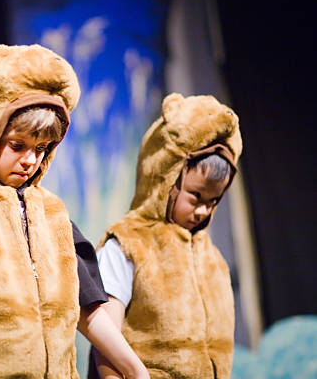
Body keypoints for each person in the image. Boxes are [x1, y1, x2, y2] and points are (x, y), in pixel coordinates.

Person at [0, 44, 148, 379]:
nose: (30, 161)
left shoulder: (52, 213)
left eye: (41, 149)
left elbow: (89, 309)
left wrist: (136, 370)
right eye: (17, 145)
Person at [93, 93, 242, 379]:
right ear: (165, 177)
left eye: (212, 201)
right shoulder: (128, 244)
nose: (202, 210)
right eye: (196, 196)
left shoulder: (214, 260)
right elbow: (105, 336)